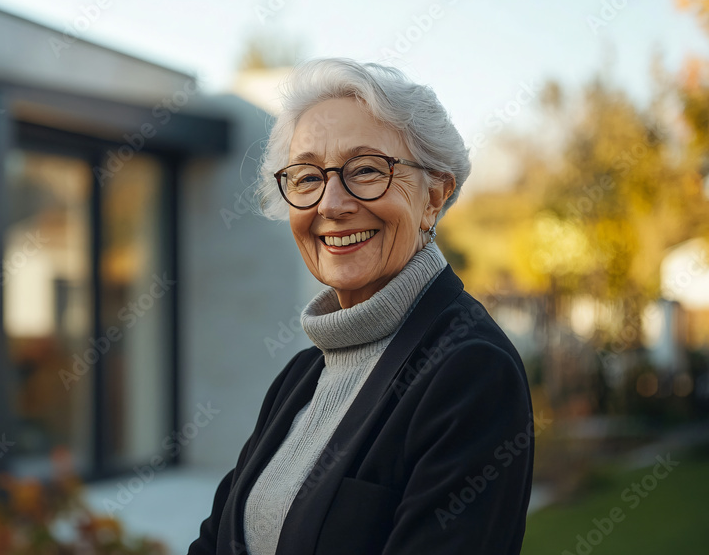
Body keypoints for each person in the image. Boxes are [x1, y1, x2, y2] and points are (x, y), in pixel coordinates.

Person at [188, 57, 535, 554]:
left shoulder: (471, 371)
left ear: (434, 195)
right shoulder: (301, 376)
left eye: (367, 170)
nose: (331, 203)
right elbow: (214, 541)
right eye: (307, 177)